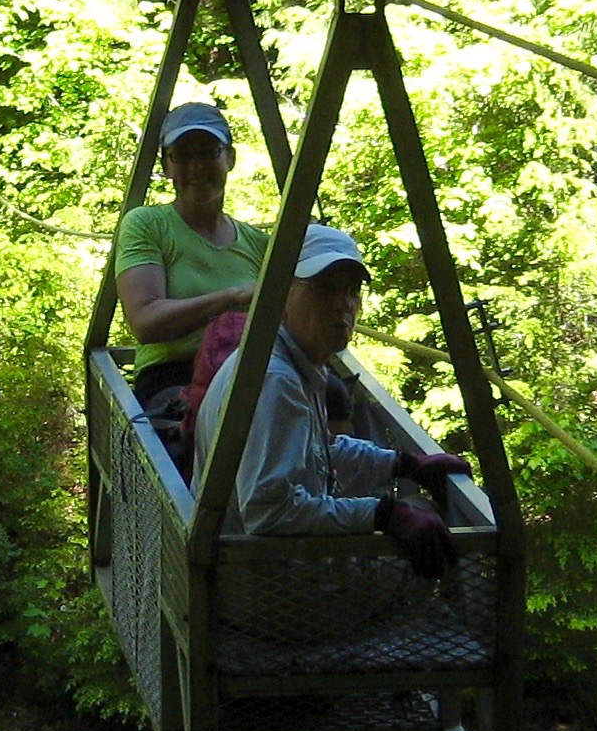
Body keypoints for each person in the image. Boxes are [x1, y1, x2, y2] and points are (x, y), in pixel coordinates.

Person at [191, 224, 468, 577]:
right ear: (281, 295)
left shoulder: (289, 360)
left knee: (422, 517)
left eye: (351, 291)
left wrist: (402, 464)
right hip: (266, 592)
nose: (342, 305)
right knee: (441, 552)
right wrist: (384, 514)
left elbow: (314, 452)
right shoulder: (275, 381)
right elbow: (267, 512)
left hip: (263, 575)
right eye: (324, 290)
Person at [113, 99, 268, 413]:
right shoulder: (148, 225)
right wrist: (233, 297)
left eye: (207, 152)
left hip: (247, 376)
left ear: (230, 158)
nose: (195, 167)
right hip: (173, 379)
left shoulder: (258, 243)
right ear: (166, 166)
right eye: (182, 156)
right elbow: (145, 322)